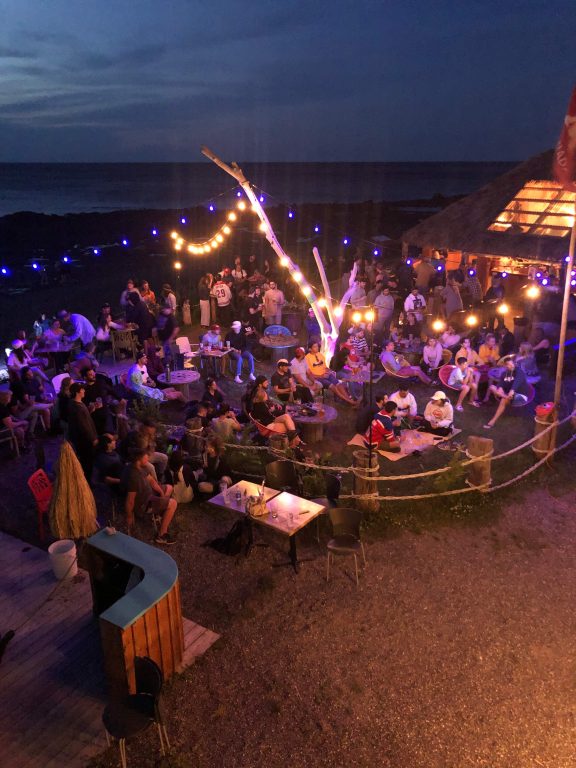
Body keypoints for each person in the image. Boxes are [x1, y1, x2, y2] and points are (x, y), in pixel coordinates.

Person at [121, 442, 177, 545]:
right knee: (173, 503)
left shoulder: (141, 467)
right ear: (139, 458)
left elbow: (151, 480)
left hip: (150, 493)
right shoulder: (134, 476)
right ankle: (161, 535)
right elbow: (130, 501)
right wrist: (129, 516)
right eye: (146, 456)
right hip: (144, 503)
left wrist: (161, 493)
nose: (148, 457)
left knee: (169, 488)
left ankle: (159, 513)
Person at [483, 359, 529, 428]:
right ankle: (505, 397)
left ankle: (492, 421)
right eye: (509, 365)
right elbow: (501, 383)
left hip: (521, 396)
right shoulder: (504, 374)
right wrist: (500, 387)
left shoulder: (519, 371)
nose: (511, 366)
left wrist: (512, 390)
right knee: (492, 387)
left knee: (504, 399)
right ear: (505, 365)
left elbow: (517, 381)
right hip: (508, 395)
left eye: (512, 364)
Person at [67, 382, 98, 482]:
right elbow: (83, 426)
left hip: (81, 440)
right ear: (77, 392)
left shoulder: (75, 404)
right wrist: (93, 439)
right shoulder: (77, 408)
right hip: (84, 441)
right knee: (87, 462)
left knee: (86, 461)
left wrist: (89, 410)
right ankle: (87, 482)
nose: (84, 391)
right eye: (82, 390)